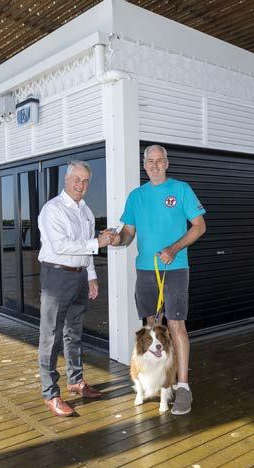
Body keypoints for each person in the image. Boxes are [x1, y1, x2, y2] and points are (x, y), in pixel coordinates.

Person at [111, 145, 206, 415]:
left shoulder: (181, 189)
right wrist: (115, 239)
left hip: (175, 268)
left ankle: (183, 387)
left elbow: (200, 226)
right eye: (150, 161)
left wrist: (174, 248)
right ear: (144, 165)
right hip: (146, 270)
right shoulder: (136, 196)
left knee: (176, 326)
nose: (154, 165)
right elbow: (128, 233)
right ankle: (157, 382)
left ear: (167, 163)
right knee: (151, 327)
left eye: (159, 160)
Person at [37, 160, 112, 417]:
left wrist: (91, 276)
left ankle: (76, 381)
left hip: (79, 276)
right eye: (76, 179)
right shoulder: (52, 209)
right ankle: (50, 394)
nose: (81, 185)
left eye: (85, 181)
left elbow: (86, 250)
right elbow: (61, 246)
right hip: (56, 277)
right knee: (51, 336)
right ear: (66, 180)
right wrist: (97, 242)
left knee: (74, 332)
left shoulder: (86, 211)